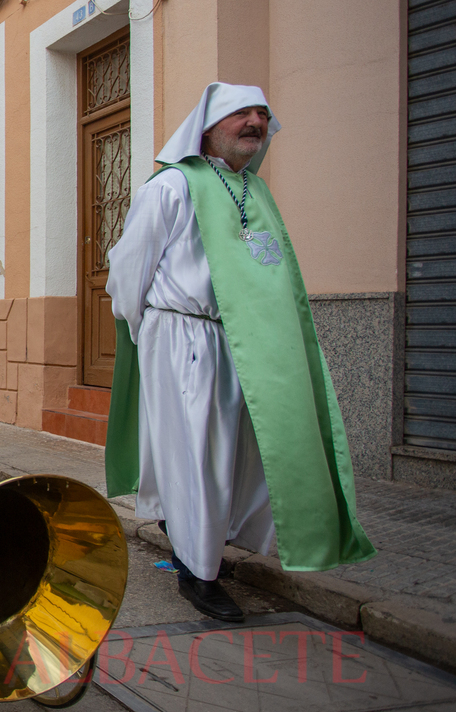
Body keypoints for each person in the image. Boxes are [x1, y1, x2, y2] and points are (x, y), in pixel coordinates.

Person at [104, 82, 376, 623]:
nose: (255, 121)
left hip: (243, 341)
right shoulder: (174, 187)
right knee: (195, 452)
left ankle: (201, 541)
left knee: (236, 450)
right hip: (183, 338)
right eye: (241, 113)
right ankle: (195, 573)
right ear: (208, 126)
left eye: (261, 114)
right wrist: (155, 333)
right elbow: (128, 271)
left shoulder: (255, 190)